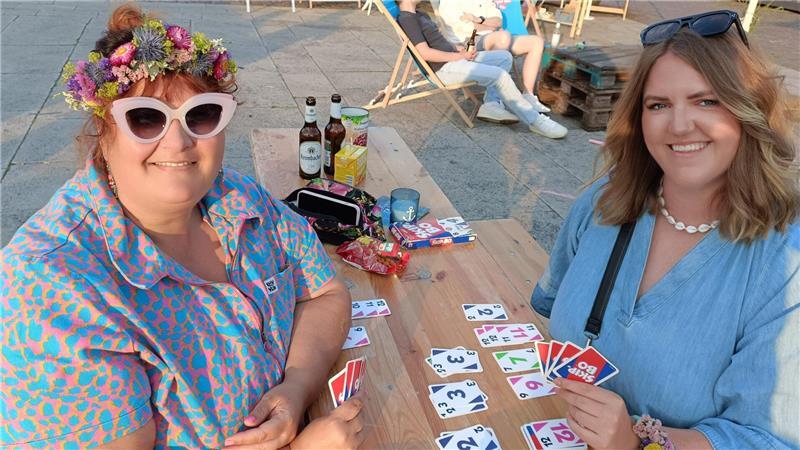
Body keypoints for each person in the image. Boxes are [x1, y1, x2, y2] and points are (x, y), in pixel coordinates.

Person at [0, 4, 365, 449]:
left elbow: (324, 292)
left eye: (202, 114)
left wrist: (296, 388)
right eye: (146, 118)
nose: (178, 141)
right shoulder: (50, 288)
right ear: (104, 130)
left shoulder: (239, 199)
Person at [531, 10, 799, 450]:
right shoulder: (600, 203)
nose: (678, 125)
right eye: (658, 105)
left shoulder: (785, 260)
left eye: (706, 101)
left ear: (747, 111)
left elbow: (769, 439)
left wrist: (639, 443)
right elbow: (549, 305)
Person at [396, 0, 567, 139]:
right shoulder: (407, 19)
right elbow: (424, 53)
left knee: (504, 57)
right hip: (443, 69)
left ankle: (492, 104)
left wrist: (458, 49)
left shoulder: (420, 14)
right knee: (499, 75)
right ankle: (534, 120)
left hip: (454, 58)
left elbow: (439, 42)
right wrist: (458, 57)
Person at [437, 0, 551, 113]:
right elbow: (464, 28)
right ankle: (492, 101)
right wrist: (489, 26)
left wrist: (479, 20)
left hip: (493, 37)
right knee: (503, 37)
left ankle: (528, 95)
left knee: (536, 42)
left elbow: (499, 21)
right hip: (467, 42)